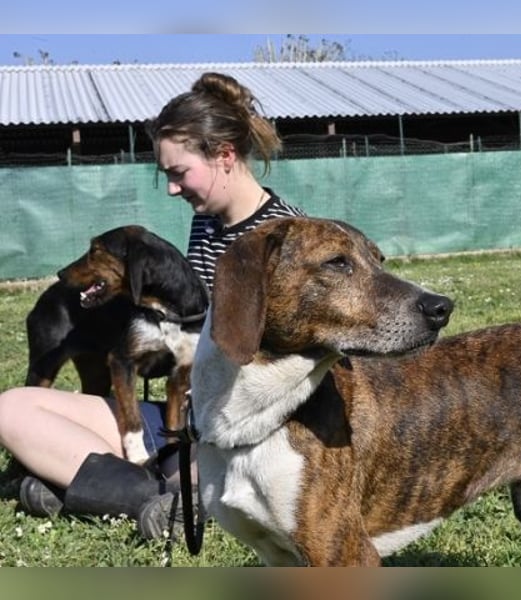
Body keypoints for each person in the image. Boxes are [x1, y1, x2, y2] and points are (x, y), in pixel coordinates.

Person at [0, 71, 305, 540]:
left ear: (224, 156)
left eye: (178, 173)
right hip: (184, 416)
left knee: (203, 467)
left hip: (249, 431)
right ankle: (147, 493)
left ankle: (109, 488)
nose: (172, 189)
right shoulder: (208, 224)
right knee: (12, 409)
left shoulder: (289, 240)